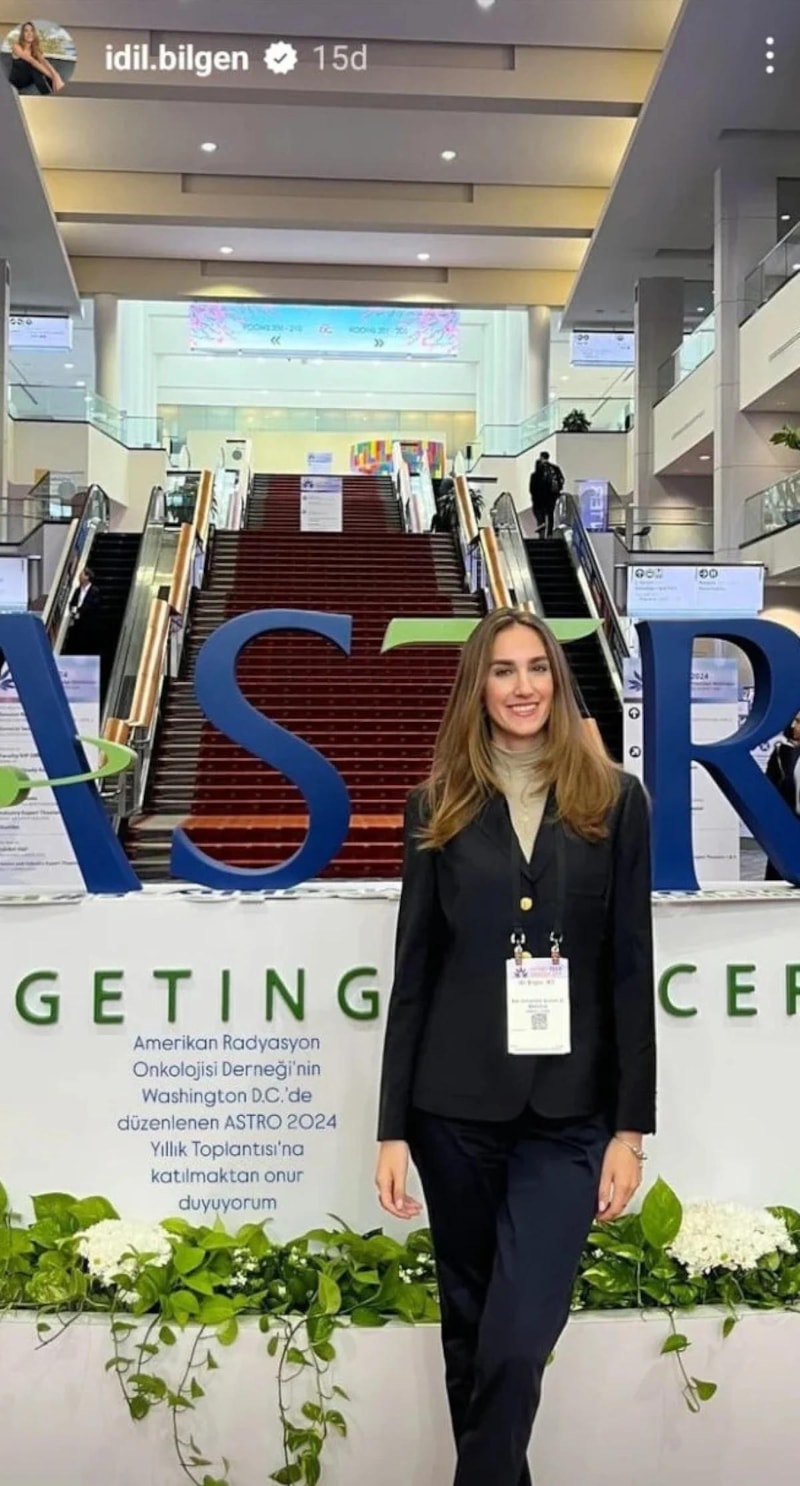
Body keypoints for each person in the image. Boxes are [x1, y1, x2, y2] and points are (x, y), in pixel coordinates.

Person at [375, 607, 656, 1486]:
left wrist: (630, 1131)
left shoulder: (616, 799)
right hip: (451, 1110)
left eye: (537, 668)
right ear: (478, 687)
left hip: (570, 1117)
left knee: (516, 1338)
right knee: (469, 1328)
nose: (523, 686)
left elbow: (630, 968)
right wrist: (391, 1130)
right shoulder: (437, 806)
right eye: (503, 670)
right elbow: (414, 974)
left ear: (558, 683)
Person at [764, 711, 800, 881]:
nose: (795, 727)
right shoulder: (782, 753)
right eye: (796, 721)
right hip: (788, 818)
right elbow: (769, 785)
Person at [8, 21, 64, 93]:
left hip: (28, 79)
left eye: (32, 31)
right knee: (35, 68)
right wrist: (52, 76)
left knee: (45, 70)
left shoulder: (35, 49)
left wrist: (55, 74)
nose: (29, 33)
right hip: (16, 81)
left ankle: (55, 93)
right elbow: (32, 61)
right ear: (22, 34)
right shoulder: (16, 47)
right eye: (26, 31)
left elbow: (44, 61)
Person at [529, 451, 565, 538]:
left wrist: (534, 496)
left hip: (540, 497)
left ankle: (541, 529)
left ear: (541, 457)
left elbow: (532, 487)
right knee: (550, 514)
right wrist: (557, 491)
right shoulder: (555, 468)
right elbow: (562, 480)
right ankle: (549, 534)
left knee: (539, 512)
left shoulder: (538, 469)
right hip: (552, 496)